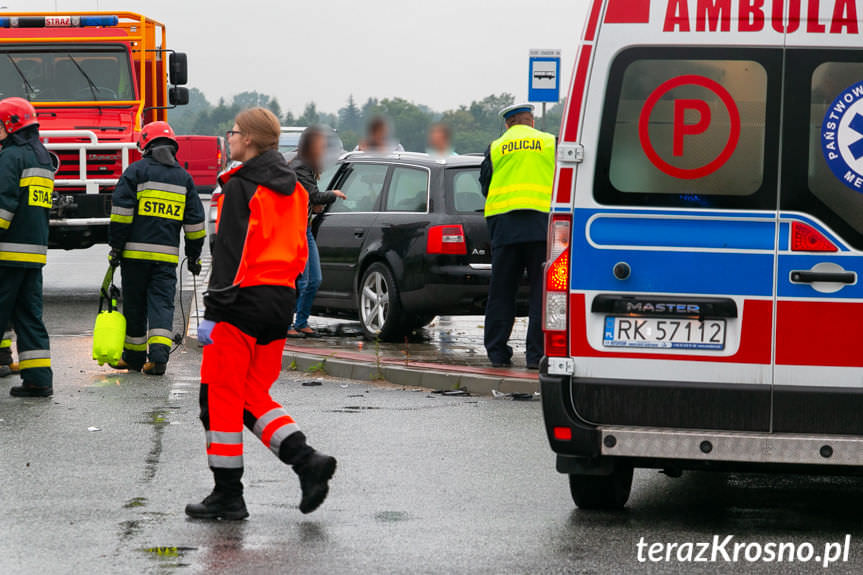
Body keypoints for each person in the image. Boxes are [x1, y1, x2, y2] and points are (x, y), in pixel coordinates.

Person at [189, 107, 336, 520]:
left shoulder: (241, 186)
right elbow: (300, 249)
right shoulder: (296, 189)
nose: (229, 138)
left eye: (233, 132)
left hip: (240, 304)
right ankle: (307, 462)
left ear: (249, 140)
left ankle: (228, 496)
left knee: (216, 398)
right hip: (279, 303)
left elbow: (230, 257)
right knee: (251, 394)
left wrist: (214, 311)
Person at [108, 121, 205, 376]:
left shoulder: (135, 172)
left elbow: (121, 215)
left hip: (134, 257)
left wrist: (115, 248)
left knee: (135, 305)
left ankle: (134, 357)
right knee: (161, 304)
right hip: (166, 260)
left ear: (145, 146)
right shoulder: (184, 178)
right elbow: (195, 223)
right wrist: (194, 256)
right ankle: (159, 360)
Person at [479, 103, 555, 370]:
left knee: (501, 291)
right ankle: (536, 356)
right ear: (531, 122)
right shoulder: (550, 143)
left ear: (508, 124)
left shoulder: (496, 146)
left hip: (505, 224)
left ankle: (498, 354)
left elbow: (486, 185)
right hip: (542, 224)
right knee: (540, 292)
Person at [0, 97, 56, 397]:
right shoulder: (42, 157)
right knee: (28, 317)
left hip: (6, 253)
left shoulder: (11, 157)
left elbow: (4, 206)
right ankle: (38, 380)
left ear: (11, 126)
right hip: (33, 254)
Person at [287, 126, 346, 339]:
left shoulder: (307, 166)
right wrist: (333, 194)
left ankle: (301, 322)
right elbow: (312, 194)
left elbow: (305, 197)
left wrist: (313, 205)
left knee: (314, 280)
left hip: (306, 228)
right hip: (296, 230)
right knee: (301, 280)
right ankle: (289, 323)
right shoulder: (300, 166)